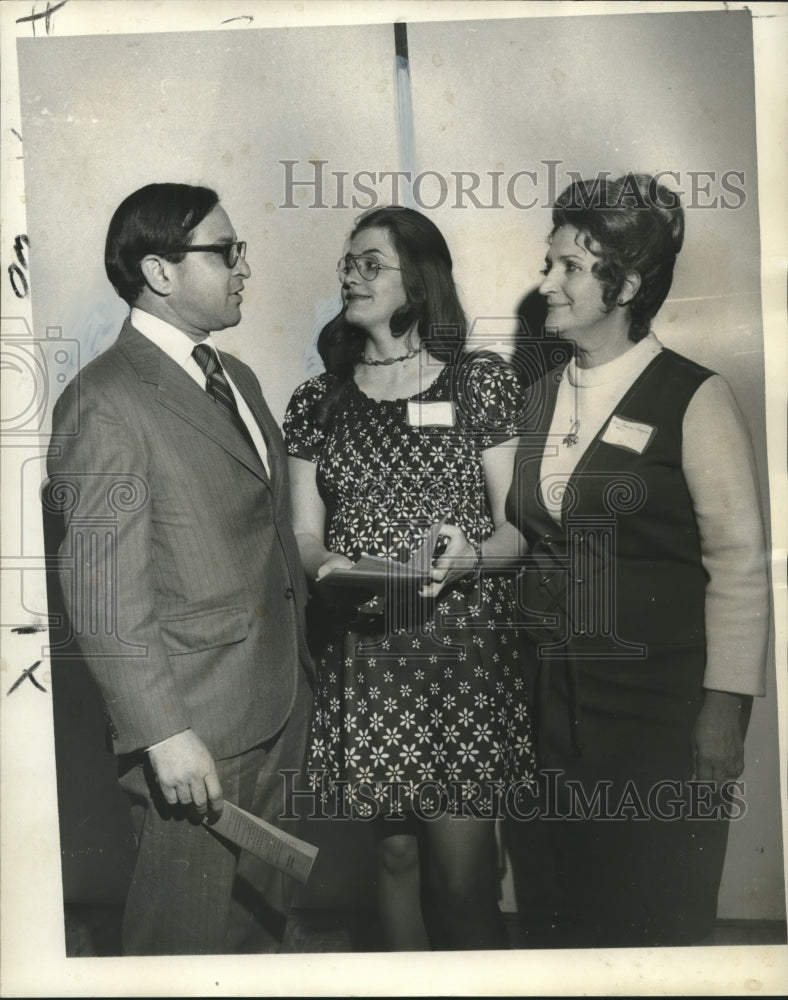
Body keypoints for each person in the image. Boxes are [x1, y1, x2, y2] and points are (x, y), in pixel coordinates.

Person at [43, 182, 314, 955]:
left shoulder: (238, 377)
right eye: (226, 251)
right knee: (183, 944)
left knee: (260, 932)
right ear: (160, 273)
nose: (243, 268)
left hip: (278, 705)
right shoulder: (105, 400)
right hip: (196, 729)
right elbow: (101, 593)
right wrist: (163, 734)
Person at [506, 173, 771, 947]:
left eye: (567, 268)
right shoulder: (540, 395)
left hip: (662, 717)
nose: (545, 282)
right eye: (548, 262)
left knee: (660, 919)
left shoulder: (695, 396)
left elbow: (742, 566)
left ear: (623, 285)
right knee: (566, 916)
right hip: (554, 713)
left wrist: (725, 706)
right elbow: (528, 532)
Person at [283, 206, 534, 951]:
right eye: (347, 263)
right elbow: (301, 531)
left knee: (461, 880)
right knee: (392, 857)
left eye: (369, 264)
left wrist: (470, 557)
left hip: (458, 662)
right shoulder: (317, 401)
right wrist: (327, 566)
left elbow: (517, 530)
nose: (348, 276)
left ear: (417, 281)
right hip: (366, 657)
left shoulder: (480, 383)